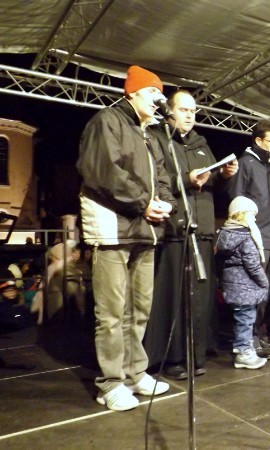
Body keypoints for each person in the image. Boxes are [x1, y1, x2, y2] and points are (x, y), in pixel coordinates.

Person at [77, 65, 177, 411]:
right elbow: (102, 171)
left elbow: (163, 177)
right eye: (152, 92)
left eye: (161, 94)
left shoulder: (151, 135)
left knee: (139, 309)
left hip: (143, 230)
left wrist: (166, 203)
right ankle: (111, 382)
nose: (158, 99)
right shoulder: (108, 121)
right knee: (112, 312)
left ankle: (135, 373)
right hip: (113, 229)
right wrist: (143, 202)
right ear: (132, 92)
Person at [144, 90, 237, 380]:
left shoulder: (201, 143)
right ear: (169, 111)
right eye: (183, 109)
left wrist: (224, 176)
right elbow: (154, 182)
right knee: (174, 297)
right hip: (175, 230)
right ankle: (172, 358)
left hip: (203, 229)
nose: (189, 115)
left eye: (193, 110)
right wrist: (186, 179)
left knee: (200, 297)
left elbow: (213, 188)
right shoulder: (158, 139)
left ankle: (196, 353)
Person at [230, 120, 270, 351]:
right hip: (255, 237)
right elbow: (237, 199)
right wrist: (245, 234)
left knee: (266, 290)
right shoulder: (246, 163)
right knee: (252, 290)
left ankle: (259, 333)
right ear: (258, 140)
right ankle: (248, 339)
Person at [216, 196, 269, 369]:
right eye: (252, 215)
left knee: (240, 319)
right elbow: (252, 265)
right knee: (246, 320)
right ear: (243, 215)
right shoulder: (245, 237)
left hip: (232, 286)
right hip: (245, 288)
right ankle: (244, 352)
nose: (255, 219)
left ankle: (243, 349)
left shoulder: (225, 235)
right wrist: (264, 281)